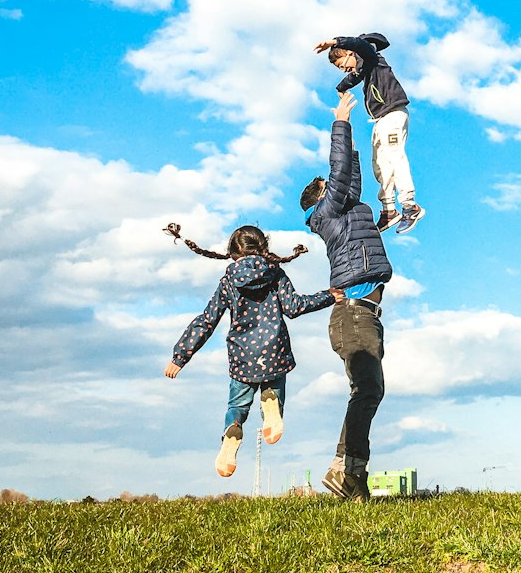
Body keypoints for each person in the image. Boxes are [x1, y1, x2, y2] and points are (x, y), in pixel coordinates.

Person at [162, 222, 337, 478]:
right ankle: (272, 405)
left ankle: (233, 428)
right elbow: (294, 307)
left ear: (233, 252)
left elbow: (207, 320)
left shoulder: (228, 281)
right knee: (273, 395)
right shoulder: (274, 273)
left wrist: (180, 357)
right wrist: (329, 295)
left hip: (242, 355)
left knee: (237, 405)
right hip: (274, 350)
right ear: (263, 248)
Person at [299, 90, 393, 501]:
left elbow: (347, 176)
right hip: (353, 313)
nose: (338, 185)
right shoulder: (328, 213)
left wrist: (354, 147)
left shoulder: (343, 209)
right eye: (330, 186)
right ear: (322, 198)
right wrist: (341, 122)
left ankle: (353, 481)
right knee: (368, 390)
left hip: (361, 313)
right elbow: (339, 175)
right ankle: (345, 469)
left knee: (369, 390)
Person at [313, 32, 425, 235]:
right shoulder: (364, 69)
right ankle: (389, 210)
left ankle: (410, 206)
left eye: (341, 64)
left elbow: (360, 45)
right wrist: (341, 87)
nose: (343, 69)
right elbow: (352, 78)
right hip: (381, 119)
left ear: (350, 52)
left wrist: (334, 42)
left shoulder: (371, 56)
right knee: (380, 164)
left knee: (394, 156)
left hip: (393, 114)